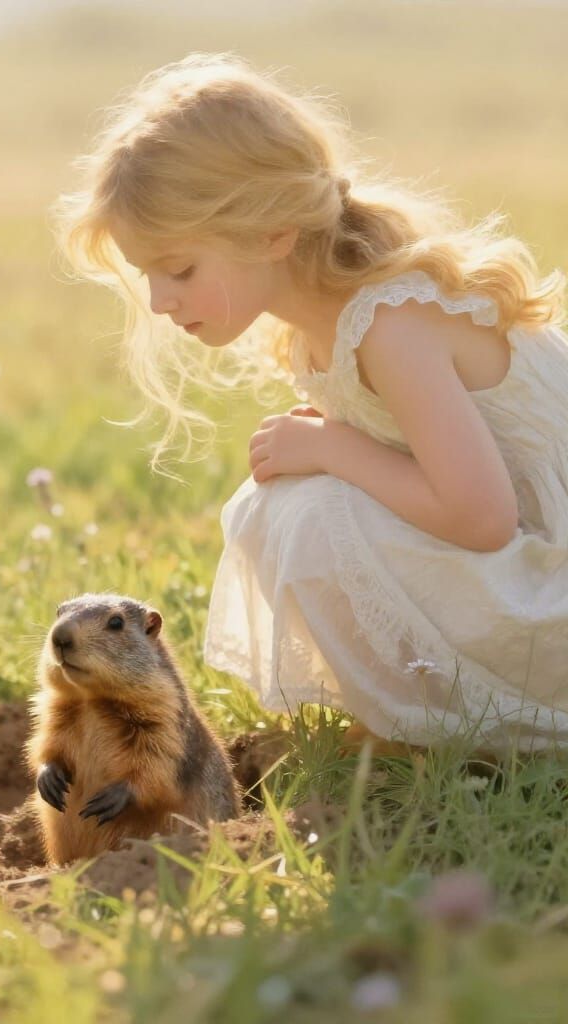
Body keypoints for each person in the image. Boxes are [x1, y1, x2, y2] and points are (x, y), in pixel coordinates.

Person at [54, 53, 568, 753]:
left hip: (550, 588)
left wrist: (335, 447)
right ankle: (421, 714)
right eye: (150, 275)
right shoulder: (321, 328)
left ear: (273, 234)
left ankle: (441, 723)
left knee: (314, 511)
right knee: (287, 501)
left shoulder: (391, 324)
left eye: (180, 270)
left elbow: (482, 517)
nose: (160, 300)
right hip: (529, 570)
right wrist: (338, 449)